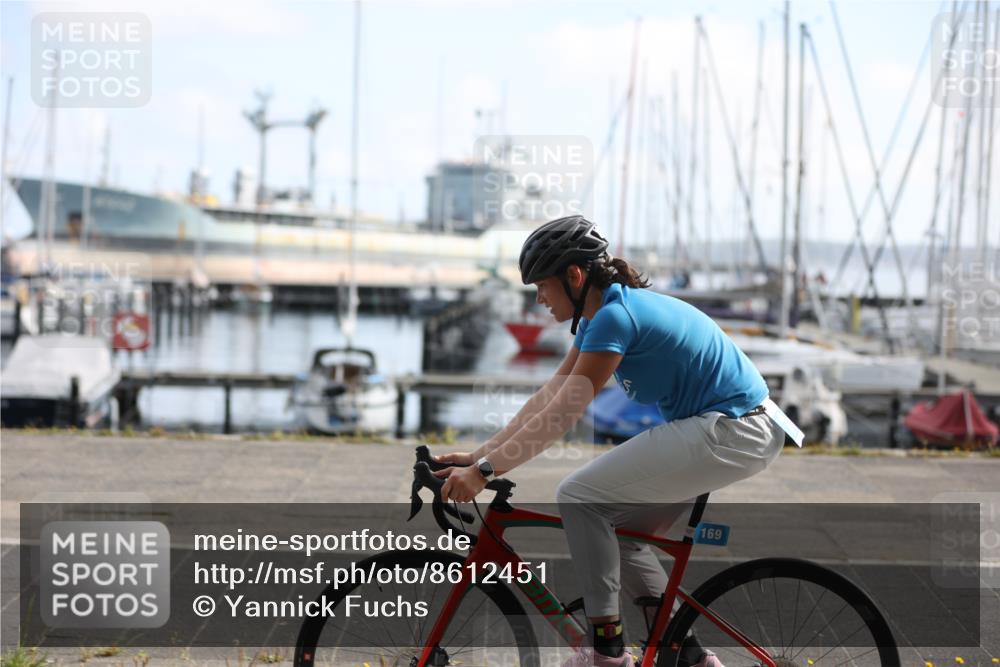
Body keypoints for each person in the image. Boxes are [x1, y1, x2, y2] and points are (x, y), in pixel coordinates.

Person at [436, 215, 802, 667]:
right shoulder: (600, 316)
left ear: (574, 276)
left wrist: (485, 473)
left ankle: (605, 652)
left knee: (578, 496)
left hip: (734, 428)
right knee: (623, 536)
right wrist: (478, 457)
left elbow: (564, 416)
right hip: (731, 429)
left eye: (542, 286)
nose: (538, 298)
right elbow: (550, 396)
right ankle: (687, 657)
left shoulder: (615, 317)